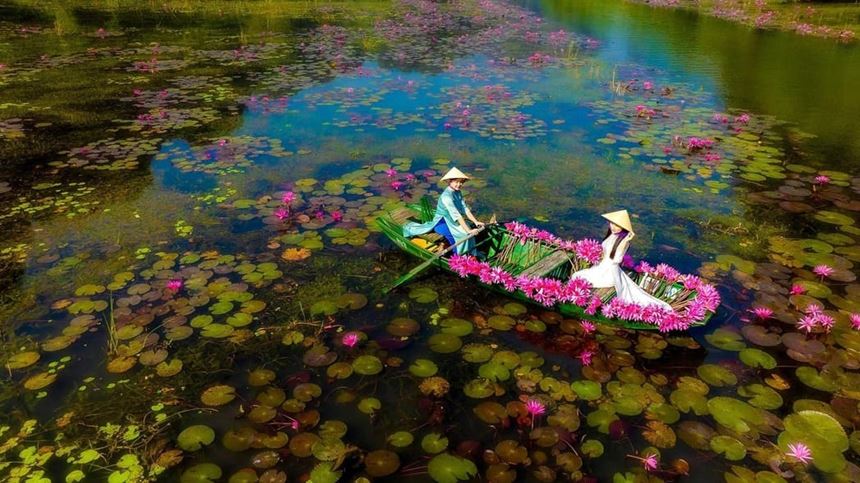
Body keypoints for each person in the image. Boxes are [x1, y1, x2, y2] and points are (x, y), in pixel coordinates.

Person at [570, 210, 671, 310]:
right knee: (577, 276)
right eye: (612, 223)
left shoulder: (623, 241)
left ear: (623, 227)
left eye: (617, 225)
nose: (613, 227)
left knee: (580, 277)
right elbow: (606, 252)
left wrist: (625, 241)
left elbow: (616, 260)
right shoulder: (612, 235)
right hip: (602, 267)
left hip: (609, 273)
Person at [403, 167, 484, 255]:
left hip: (452, 220)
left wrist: (476, 222)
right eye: (456, 182)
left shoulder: (457, 192)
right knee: (459, 235)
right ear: (450, 181)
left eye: (461, 182)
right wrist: (468, 231)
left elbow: (465, 208)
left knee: (467, 231)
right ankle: (457, 256)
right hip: (441, 222)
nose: (459, 184)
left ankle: (470, 253)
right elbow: (457, 215)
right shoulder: (446, 197)